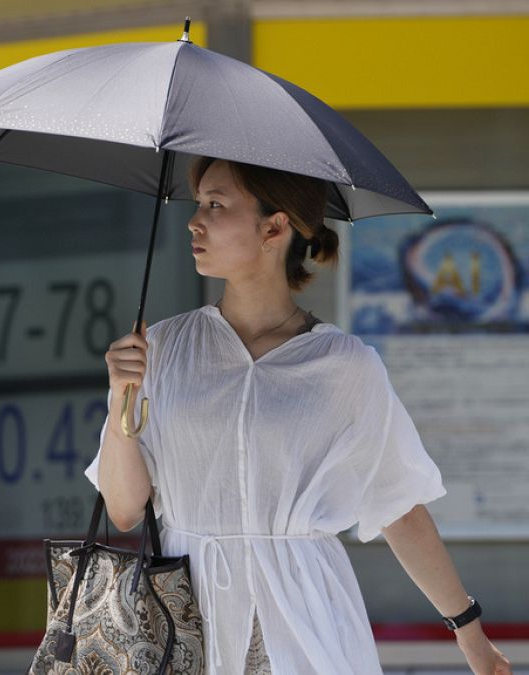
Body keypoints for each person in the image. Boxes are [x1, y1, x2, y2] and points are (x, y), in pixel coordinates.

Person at [84, 157, 513, 674]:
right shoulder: (164, 348)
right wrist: (120, 398)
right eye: (198, 204)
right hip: (185, 615)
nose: (194, 221)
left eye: (216, 205)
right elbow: (125, 509)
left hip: (305, 619)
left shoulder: (345, 364)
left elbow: (399, 508)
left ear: (275, 226)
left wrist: (470, 634)